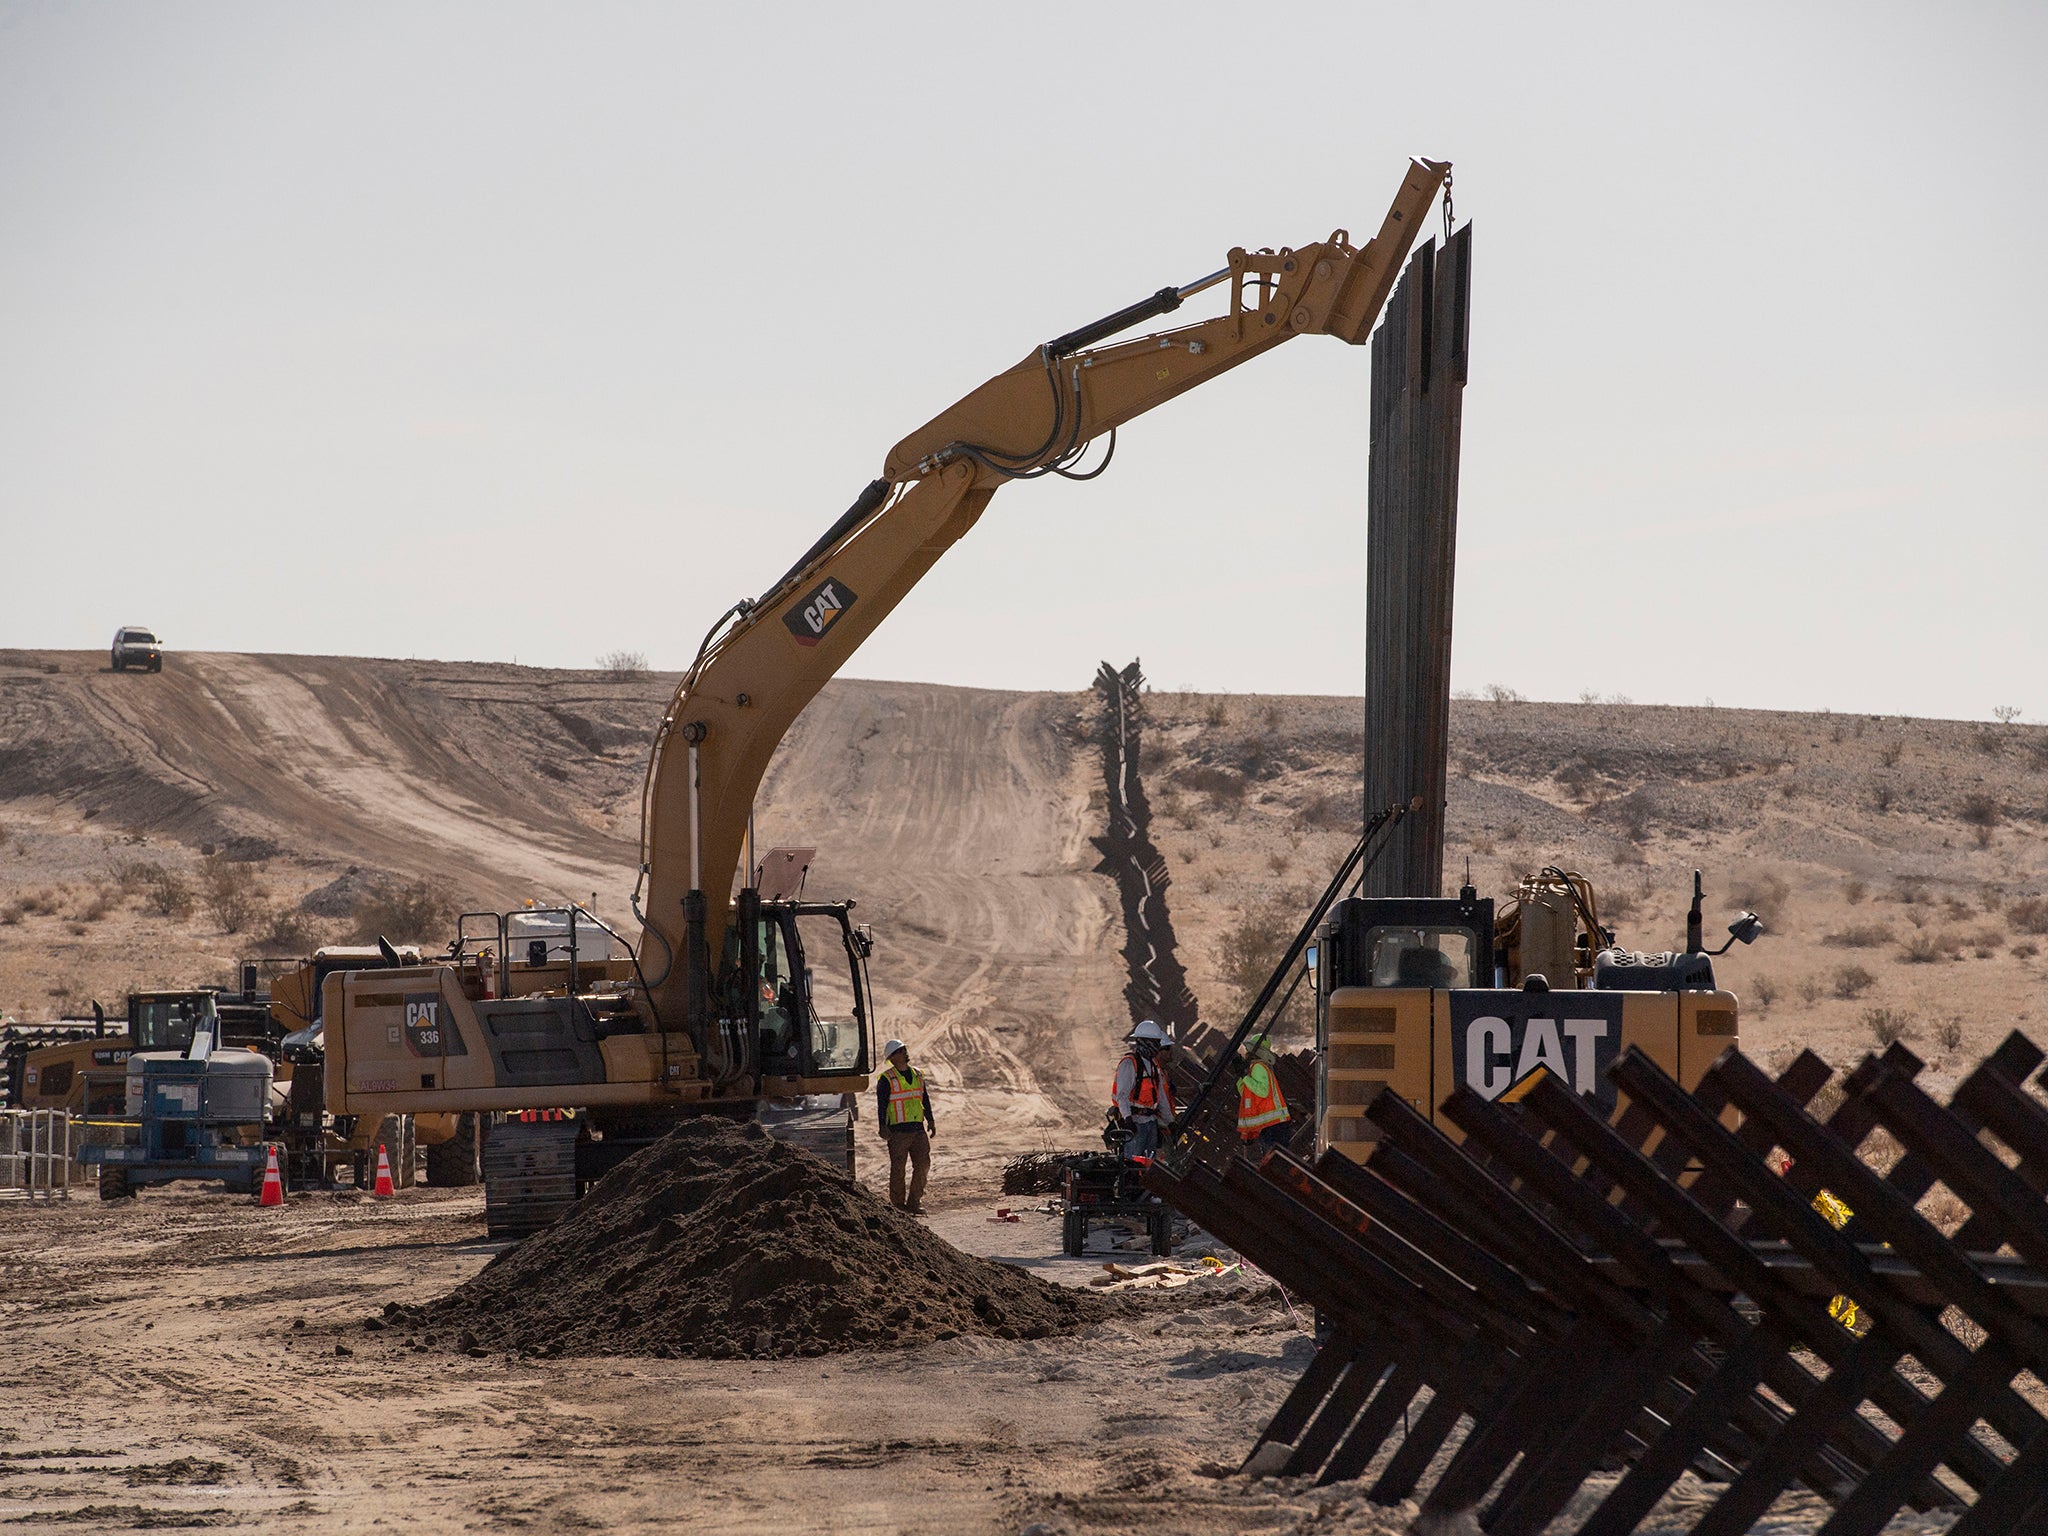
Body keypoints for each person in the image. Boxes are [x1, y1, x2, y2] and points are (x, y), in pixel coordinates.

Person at [875, 1038, 935, 1214]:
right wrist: (882, 1126)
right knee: (898, 1169)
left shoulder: (917, 1074)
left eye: (904, 1049)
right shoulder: (887, 1079)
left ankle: (914, 1202)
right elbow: (882, 1105)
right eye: (900, 1051)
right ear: (892, 1058)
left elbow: (924, 1098)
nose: (904, 1053)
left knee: (923, 1165)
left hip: (917, 1129)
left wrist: (930, 1120)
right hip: (898, 1132)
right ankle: (898, 1206)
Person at [1111, 1019, 1176, 1160]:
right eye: (1156, 1042)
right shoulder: (1129, 1063)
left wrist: (1170, 1121)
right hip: (1135, 1122)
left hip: (1150, 1122)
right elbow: (1122, 1096)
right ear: (1147, 1042)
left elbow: (1161, 1097)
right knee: (1133, 1162)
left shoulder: (1153, 1065)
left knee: (1148, 1163)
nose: (1158, 1046)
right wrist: (1128, 1119)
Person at [1235, 1031, 1293, 1152]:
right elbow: (1247, 1094)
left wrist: (1245, 1077)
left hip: (1274, 1126)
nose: (1246, 1053)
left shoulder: (1258, 1067)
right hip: (1271, 1125)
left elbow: (1262, 1091)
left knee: (1276, 1160)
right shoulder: (1254, 1068)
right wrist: (1240, 1078)